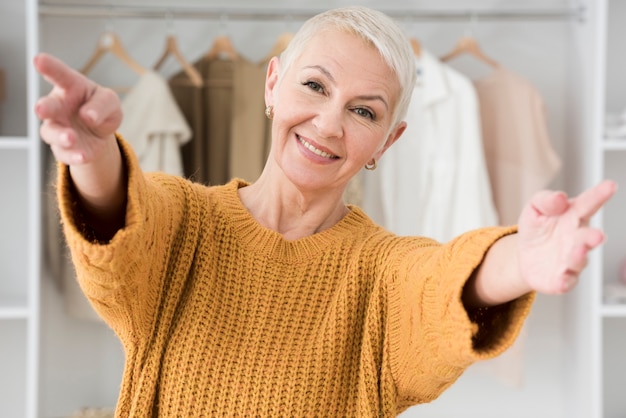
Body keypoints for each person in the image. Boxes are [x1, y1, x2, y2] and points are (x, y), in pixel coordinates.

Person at [35, 6, 615, 417]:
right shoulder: (185, 223)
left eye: (365, 113)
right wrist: (93, 155)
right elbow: (126, 233)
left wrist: (521, 260)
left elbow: (440, 289)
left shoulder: (383, 273)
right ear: (272, 84)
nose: (329, 123)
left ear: (388, 141)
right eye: (315, 86)